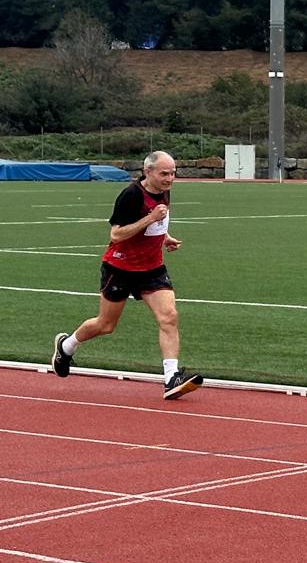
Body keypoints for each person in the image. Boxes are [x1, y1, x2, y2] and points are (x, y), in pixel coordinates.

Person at [51, 150, 204, 400]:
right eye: (164, 173)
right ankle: (66, 346)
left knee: (169, 317)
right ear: (148, 172)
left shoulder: (164, 191)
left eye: (173, 173)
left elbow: (157, 222)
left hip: (152, 268)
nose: (170, 178)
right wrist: (150, 218)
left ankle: (171, 378)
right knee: (105, 325)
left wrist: (165, 237)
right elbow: (117, 235)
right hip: (120, 268)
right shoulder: (131, 195)